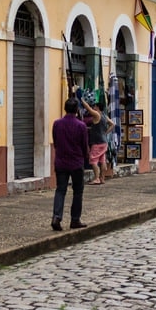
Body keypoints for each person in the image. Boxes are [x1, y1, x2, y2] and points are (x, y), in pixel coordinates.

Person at [50, 96, 89, 231]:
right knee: (78, 191)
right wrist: (85, 157)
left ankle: (56, 217)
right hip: (76, 162)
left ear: (65, 109)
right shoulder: (81, 126)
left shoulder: (57, 124)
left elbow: (55, 141)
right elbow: (84, 145)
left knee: (60, 190)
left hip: (61, 161)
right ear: (77, 110)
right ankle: (75, 219)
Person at [79, 93, 114, 185]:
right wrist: (105, 132)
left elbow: (88, 108)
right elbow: (112, 124)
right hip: (104, 142)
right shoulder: (104, 116)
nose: (93, 107)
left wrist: (82, 100)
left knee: (93, 159)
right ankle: (102, 178)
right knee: (102, 160)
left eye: (94, 106)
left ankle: (96, 178)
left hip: (97, 142)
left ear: (97, 107)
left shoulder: (97, 115)